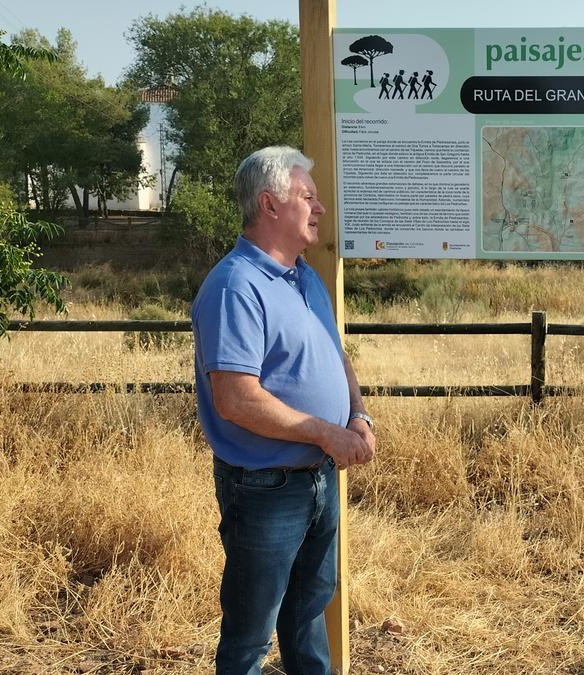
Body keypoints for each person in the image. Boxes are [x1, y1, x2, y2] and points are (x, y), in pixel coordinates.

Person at [192, 145, 376, 675]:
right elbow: (235, 399)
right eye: (308, 197)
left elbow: (335, 355)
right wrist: (326, 432)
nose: (319, 208)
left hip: (317, 480)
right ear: (270, 205)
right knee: (250, 638)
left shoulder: (305, 277)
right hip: (265, 489)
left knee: (306, 618)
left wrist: (358, 416)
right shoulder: (234, 286)